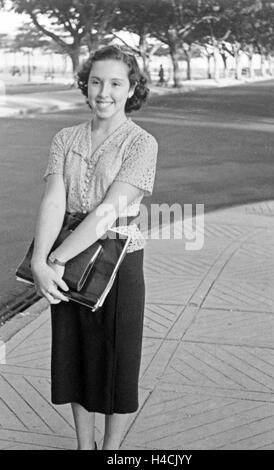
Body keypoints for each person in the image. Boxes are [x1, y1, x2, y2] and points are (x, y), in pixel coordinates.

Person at [30, 45, 158, 450]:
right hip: (67, 259)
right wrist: (39, 262)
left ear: (131, 88)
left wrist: (54, 258)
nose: (104, 92)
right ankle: (85, 446)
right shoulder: (65, 137)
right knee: (75, 358)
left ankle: (111, 451)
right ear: (85, 84)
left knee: (117, 361)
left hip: (118, 263)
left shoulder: (142, 143)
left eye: (116, 83)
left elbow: (108, 212)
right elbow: (53, 199)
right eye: (96, 81)